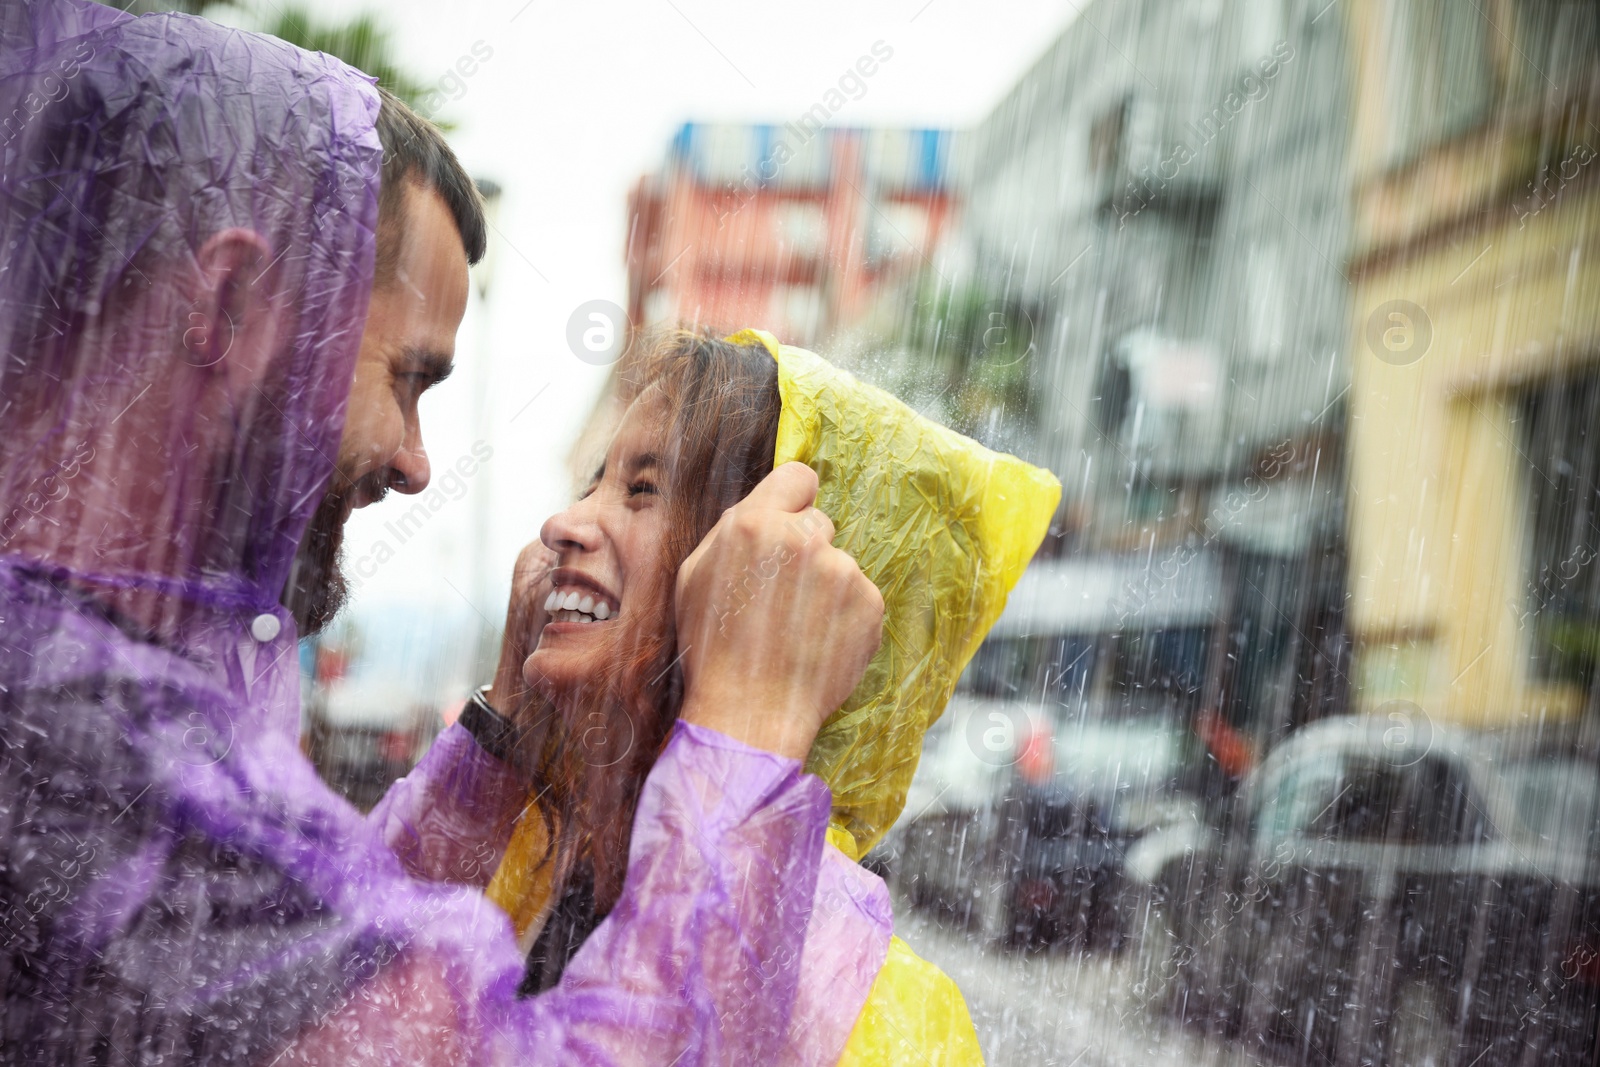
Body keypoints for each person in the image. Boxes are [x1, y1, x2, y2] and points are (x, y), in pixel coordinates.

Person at [0, 3, 883, 1064]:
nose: (418, 460)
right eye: (405, 376)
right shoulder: (72, 729)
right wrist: (746, 734)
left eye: (646, 489)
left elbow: (325, 958)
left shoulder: (77, 681)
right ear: (226, 300)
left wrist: (502, 730)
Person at [475, 330, 1062, 1065]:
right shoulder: (556, 861)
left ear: (795, 584)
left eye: (643, 489)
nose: (562, 524)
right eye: (593, 482)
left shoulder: (873, 1015)